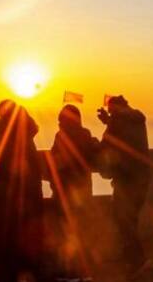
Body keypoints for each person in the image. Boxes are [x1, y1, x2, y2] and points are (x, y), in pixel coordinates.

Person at [0, 100, 44, 282]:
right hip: (32, 195)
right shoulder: (28, 136)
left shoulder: (2, 134)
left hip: (9, 196)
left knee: (10, 241)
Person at [97, 95, 150, 279]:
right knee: (131, 219)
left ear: (116, 108)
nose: (110, 112)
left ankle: (136, 261)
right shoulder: (136, 118)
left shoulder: (118, 120)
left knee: (123, 219)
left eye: (111, 109)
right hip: (142, 176)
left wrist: (106, 127)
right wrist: (109, 121)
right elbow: (124, 135)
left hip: (126, 178)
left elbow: (107, 142)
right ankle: (133, 258)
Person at [50, 105, 100, 281]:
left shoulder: (62, 136)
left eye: (60, 118)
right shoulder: (85, 134)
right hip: (83, 189)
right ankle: (85, 272)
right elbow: (92, 159)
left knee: (66, 233)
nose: (58, 122)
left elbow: (57, 161)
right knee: (82, 231)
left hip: (66, 190)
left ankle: (70, 273)